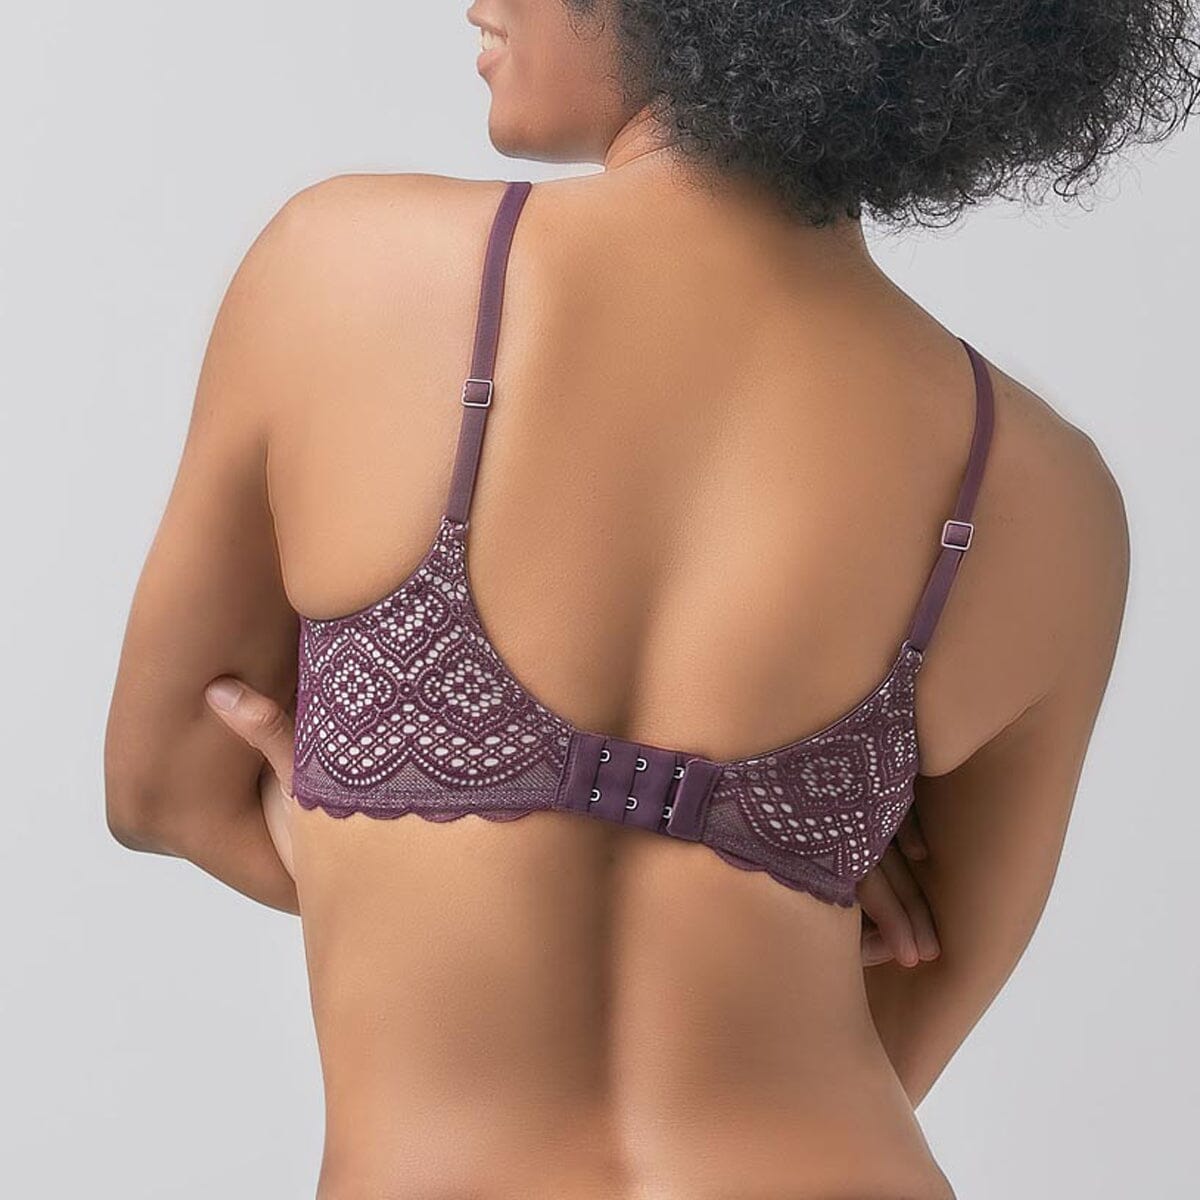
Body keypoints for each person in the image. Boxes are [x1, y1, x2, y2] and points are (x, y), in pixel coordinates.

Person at [103, 3, 1198, 1197]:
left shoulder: (348, 269)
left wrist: (377, 830)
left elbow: (162, 790)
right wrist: (748, 879)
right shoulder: (1045, 490)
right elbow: (902, 1010)